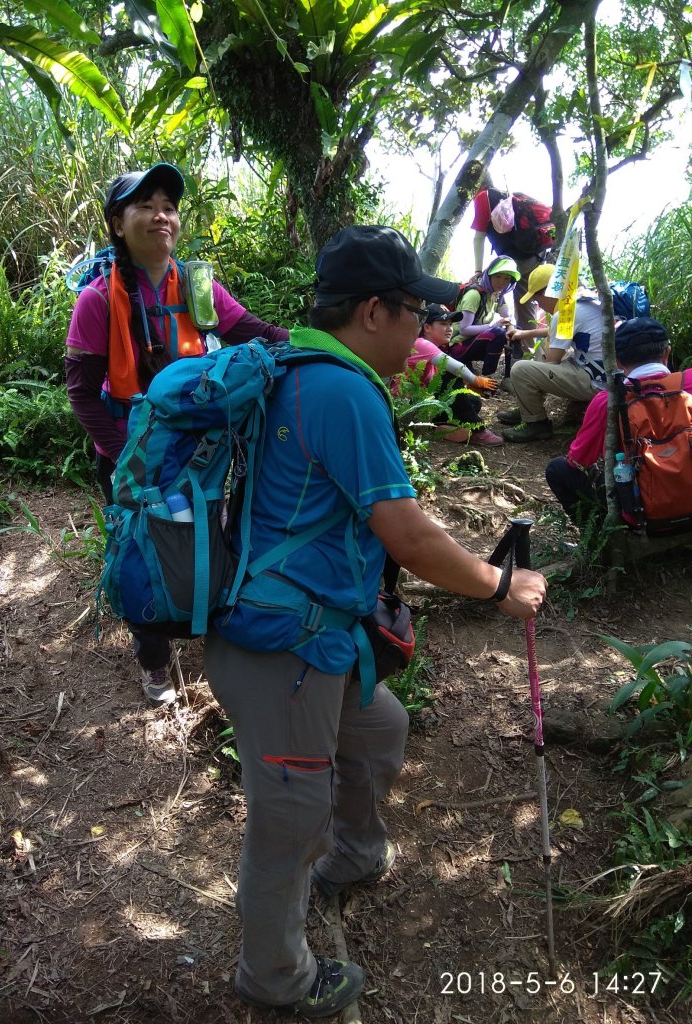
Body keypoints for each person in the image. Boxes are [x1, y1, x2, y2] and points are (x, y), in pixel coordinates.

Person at [203, 225, 547, 1019]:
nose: (430, 329)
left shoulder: (296, 364)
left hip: (312, 635)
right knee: (288, 821)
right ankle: (276, 978)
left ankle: (354, 856)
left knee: (380, 730)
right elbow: (409, 534)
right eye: (415, 312)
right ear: (371, 311)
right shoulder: (343, 390)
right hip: (281, 647)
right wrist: (501, 585)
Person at [64, 163, 289, 707]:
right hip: (130, 454)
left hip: (198, 452)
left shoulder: (198, 288)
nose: (161, 215)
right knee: (143, 547)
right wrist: (125, 462)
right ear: (118, 223)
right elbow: (81, 390)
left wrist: (312, 347)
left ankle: (211, 637)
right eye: (145, 205)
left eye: (169, 205)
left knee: (205, 538)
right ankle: (154, 660)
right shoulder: (98, 299)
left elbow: (250, 332)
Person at [546, 317, 691, 524]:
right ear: (666, 353)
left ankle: (601, 540)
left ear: (617, 361)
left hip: (642, 515)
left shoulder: (608, 401)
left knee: (558, 469)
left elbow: (578, 461)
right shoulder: (689, 383)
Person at [497, 263, 605, 442]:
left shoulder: (565, 313)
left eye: (536, 298)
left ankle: (536, 423)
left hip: (596, 382)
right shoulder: (584, 299)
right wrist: (527, 333)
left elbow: (553, 361)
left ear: (548, 291)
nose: (537, 303)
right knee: (541, 350)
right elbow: (562, 331)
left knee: (521, 370)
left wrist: (536, 371)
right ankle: (528, 407)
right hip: (606, 373)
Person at [404, 304, 503, 445]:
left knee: (473, 402)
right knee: (451, 375)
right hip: (408, 407)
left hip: (425, 405)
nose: (449, 329)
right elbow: (458, 368)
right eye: (443, 324)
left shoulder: (434, 349)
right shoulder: (421, 344)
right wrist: (476, 380)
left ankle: (439, 426)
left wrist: (466, 387)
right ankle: (477, 431)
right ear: (427, 327)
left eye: (450, 324)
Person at [472, 185, 555, 333]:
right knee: (526, 305)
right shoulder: (512, 195)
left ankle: (476, 334)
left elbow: (479, 238)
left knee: (487, 287)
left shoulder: (483, 197)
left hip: (515, 260)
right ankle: (528, 348)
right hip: (537, 256)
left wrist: (478, 271)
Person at [448, 256, 519, 376]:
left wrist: (511, 329)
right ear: (489, 275)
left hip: (470, 343)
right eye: (498, 276)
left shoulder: (496, 296)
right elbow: (464, 329)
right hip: (456, 346)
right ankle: (488, 377)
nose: (501, 282)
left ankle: (509, 377)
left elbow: (508, 317)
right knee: (498, 332)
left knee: (515, 333)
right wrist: (492, 325)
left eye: (506, 279)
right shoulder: (474, 295)